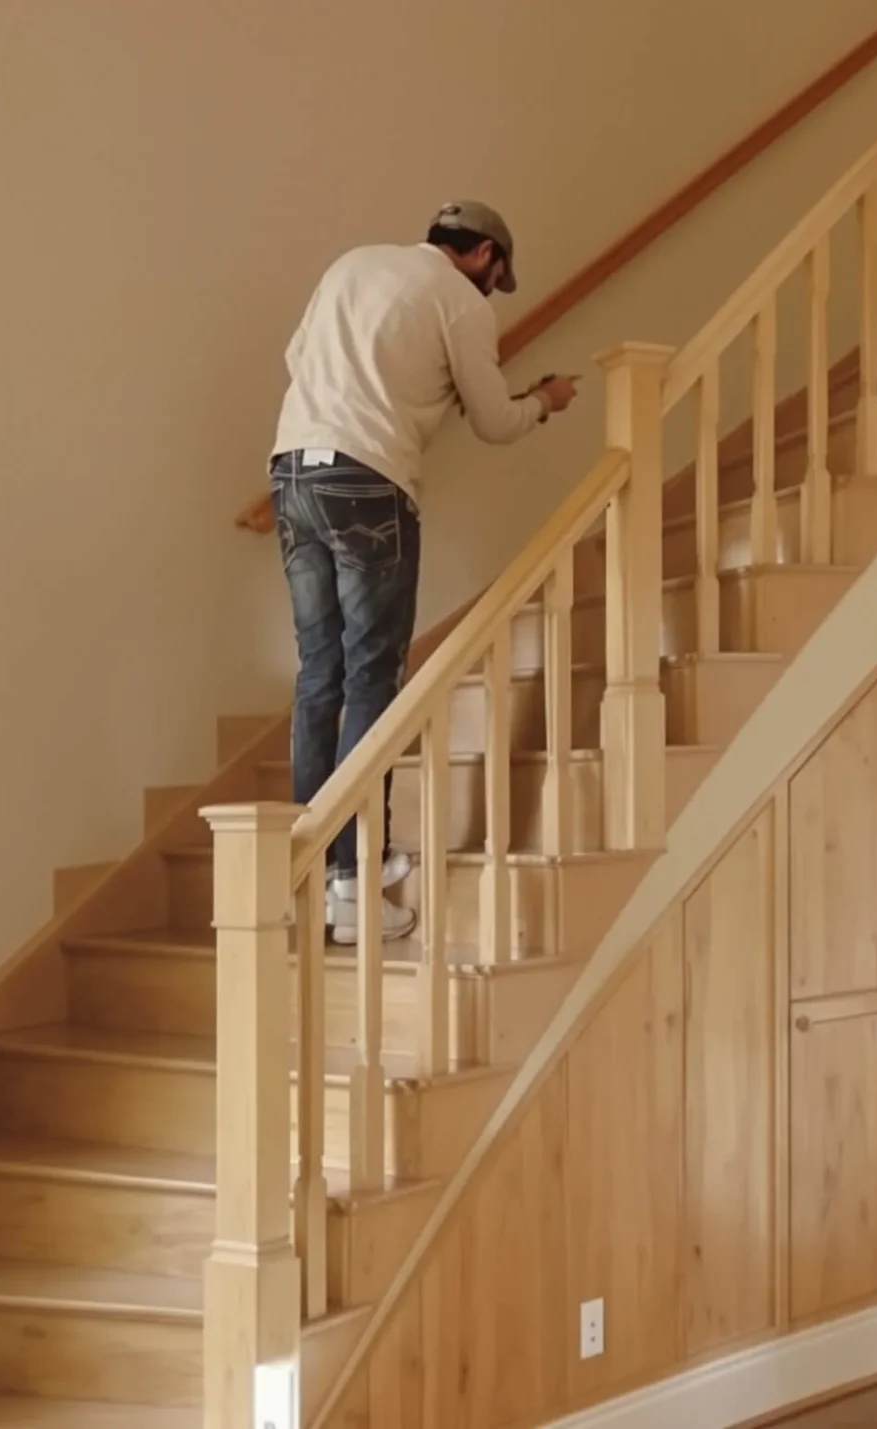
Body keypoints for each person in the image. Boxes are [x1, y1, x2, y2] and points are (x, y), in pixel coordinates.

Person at [269, 201, 579, 942]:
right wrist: (544, 400)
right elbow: (493, 419)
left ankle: (305, 880)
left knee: (320, 675)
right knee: (374, 677)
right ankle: (353, 882)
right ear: (482, 256)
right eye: (495, 277)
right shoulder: (459, 303)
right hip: (367, 481)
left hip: (291, 472)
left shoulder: (353, 262)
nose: (491, 290)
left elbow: (295, 358)